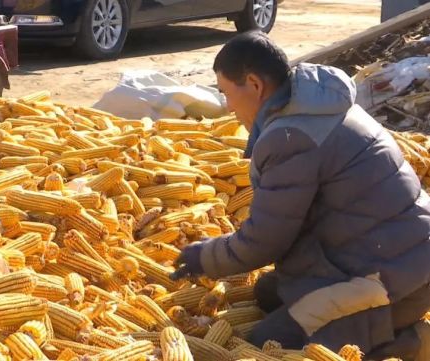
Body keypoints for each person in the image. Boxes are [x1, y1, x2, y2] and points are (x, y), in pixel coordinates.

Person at [170, 31, 430, 360]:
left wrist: (203, 257)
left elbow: (266, 240)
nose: (227, 105)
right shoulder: (315, 105)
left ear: (253, 84)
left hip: (391, 280)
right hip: (396, 254)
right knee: (268, 292)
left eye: (225, 92)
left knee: (271, 342)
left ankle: (413, 343)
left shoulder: (291, 137)